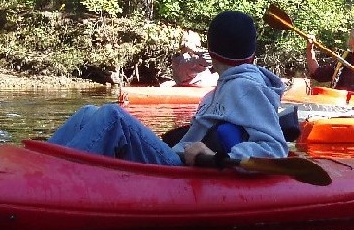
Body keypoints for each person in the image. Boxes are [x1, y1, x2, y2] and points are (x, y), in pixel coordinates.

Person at [47, 10, 288, 168]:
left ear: (211, 52)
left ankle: (53, 177)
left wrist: (219, 158)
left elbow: (275, 149)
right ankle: (39, 163)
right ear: (252, 54)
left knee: (113, 117)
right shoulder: (227, 86)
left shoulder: (246, 87)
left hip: (177, 168)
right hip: (176, 155)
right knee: (89, 112)